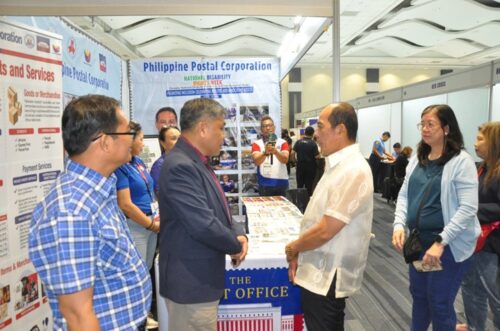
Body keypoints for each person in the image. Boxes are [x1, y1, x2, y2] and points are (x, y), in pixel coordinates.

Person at [29, 95, 151, 330]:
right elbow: (78, 315)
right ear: (105, 142)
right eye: (127, 133)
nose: (133, 140)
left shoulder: (97, 192)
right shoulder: (70, 211)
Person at [158, 98, 248, 331]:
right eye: (221, 128)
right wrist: (234, 244)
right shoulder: (181, 165)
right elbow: (203, 224)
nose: (223, 136)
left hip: (199, 280)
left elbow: (220, 206)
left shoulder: (196, 161)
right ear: (203, 128)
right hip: (191, 284)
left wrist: (239, 234)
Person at [285, 102, 373, 331]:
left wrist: (294, 247)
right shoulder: (337, 165)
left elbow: (327, 229)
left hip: (328, 274)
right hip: (319, 267)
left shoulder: (353, 169)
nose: (316, 135)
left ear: (340, 130)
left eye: (321, 127)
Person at [392, 104, 480, 331]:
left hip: (448, 247)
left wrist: (441, 242)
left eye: (431, 124)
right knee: (421, 297)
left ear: (446, 129)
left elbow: (468, 209)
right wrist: (399, 224)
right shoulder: (417, 159)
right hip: (420, 243)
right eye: (422, 124)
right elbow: (404, 194)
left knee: (439, 302)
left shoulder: (461, 162)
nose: (425, 129)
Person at [457, 121, 500, 331]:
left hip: (493, 245)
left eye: (480, 139)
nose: (475, 144)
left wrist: (471, 209)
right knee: (471, 291)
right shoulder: (480, 168)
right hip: (473, 241)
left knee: (495, 296)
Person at [251, 116, 289, 196]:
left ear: (274, 127)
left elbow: (285, 160)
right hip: (265, 183)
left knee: (282, 208)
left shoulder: (283, 142)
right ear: (261, 129)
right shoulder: (257, 144)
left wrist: (276, 152)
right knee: (266, 208)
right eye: (265, 126)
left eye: (270, 125)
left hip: (282, 182)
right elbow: (257, 161)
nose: (268, 128)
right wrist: (265, 153)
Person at [150, 125, 180, 197]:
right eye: (174, 138)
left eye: (180, 138)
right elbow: (160, 193)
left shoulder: (187, 161)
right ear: (162, 143)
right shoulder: (160, 165)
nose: (179, 142)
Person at [292, 126, 319, 196]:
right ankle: (307, 202)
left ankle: (299, 201)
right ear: (312, 134)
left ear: (305, 132)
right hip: (310, 167)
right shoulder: (313, 143)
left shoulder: (298, 142)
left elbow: (292, 153)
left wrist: (295, 161)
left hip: (300, 166)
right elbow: (317, 156)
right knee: (309, 186)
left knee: (299, 185)